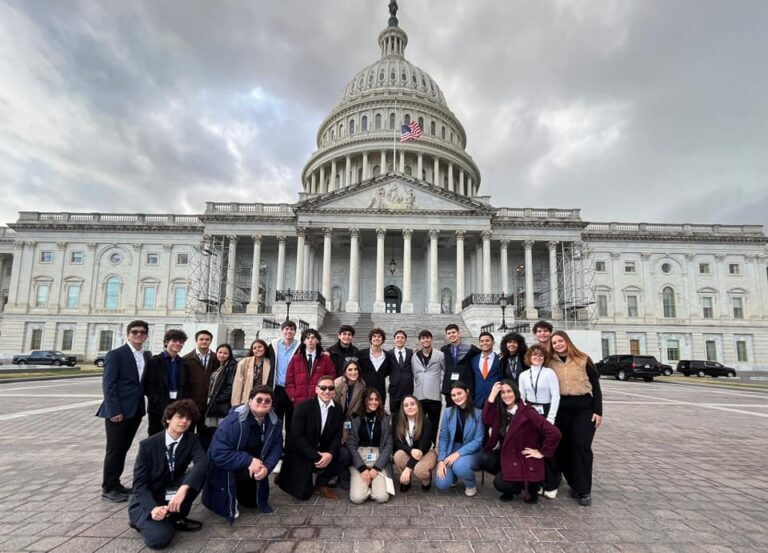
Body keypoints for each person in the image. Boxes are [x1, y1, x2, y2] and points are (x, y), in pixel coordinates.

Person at [129, 399, 208, 549]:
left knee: (199, 474)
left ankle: (175, 517)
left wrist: (183, 489)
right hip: (149, 498)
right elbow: (139, 485)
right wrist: (153, 508)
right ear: (168, 418)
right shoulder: (148, 445)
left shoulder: (192, 440)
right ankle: (141, 520)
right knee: (159, 539)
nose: (184, 421)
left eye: (188, 418)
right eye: (180, 416)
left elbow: (202, 462)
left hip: (170, 491)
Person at [203, 386, 283, 521]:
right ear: (250, 401)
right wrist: (249, 460)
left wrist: (267, 468)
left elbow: (276, 448)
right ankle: (226, 498)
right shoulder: (233, 422)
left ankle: (243, 490)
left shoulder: (274, 422)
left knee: (251, 503)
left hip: (254, 466)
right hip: (228, 467)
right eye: (259, 399)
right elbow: (218, 454)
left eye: (267, 401)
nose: (263, 403)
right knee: (225, 498)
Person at [97, 320, 152, 502]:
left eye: (142, 332)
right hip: (118, 411)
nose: (138, 335)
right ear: (128, 334)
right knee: (114, 449)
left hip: (135, 410)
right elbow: (109, 385)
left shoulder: (145, 356)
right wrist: (114, 410)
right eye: (135, 332)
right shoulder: (116, 354)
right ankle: (108, 487)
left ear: (146, 335)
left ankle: (116, 483)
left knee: (123, 448)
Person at [548, 330, 603, 506]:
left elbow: (596, 386)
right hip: (561, 409)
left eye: (560, 341)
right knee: (563, 447)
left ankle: (584, 489)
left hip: (583, 408)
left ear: (567, 341)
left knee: (581, 445)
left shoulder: (583, 359)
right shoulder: (550, 362)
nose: (558, 344)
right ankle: (573, 482)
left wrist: (598, 411)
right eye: (554, 343)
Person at [481, 381, 560, 503]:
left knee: (500, 483)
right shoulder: (501, 412)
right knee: (485, 458)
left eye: (509, 391)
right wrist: (491, 396)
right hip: (509, 456)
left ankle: (529, 486)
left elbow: (554, 433)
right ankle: (511, 484)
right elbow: (486, 419)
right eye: (502, 393)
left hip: (524, 459)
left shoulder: (528, 412)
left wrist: (542, 452)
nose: (506, 395)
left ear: (515, 392)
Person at [279, 374, 344, 500]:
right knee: (303, 495)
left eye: (330, 388)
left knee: (344, 455)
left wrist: (330, 454)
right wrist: (317, 456)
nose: (327, 391)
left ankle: (322, 483)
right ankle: (287, 475)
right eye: (323, 388)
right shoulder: (303, 407)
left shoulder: (337, 409)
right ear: (316, 389)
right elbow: (297, 436)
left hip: (324, 451)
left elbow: (338, 434)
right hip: (303, 452)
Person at [518, 344, 561, 498]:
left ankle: (552, 483)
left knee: (547, 448)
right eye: (534, 355)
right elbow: (521, 396)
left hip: (546, 410)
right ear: (529, 357)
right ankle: (539, 481)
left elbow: (555, 395)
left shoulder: (549, 373)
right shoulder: (523, 375)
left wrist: (551, 417)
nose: (537, 358)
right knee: (533, 446)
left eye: (541, 355)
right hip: (530, 411)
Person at [434, 381, 485, 496]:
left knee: (460, 466)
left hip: (472, 451)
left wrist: (458, 453)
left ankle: (470, 484)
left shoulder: (479, 414)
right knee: (442, 483)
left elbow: (478, 441)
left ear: (467, 392)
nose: (457, 397)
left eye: (459, 393)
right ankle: (453, 477)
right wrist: (441, 460)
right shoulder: (448, 412)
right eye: (453, 395)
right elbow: (443, 437)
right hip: (452, 449)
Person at [346, 388, 394, 504]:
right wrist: (362, 469)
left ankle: (373, 482)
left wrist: (376, 469)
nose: (374, 402)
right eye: (370, 399)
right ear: (364, 400)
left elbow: (388, 445)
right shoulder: (356, 418)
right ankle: (365, 482)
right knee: (357, 498)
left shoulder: (385, 418)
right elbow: (351, 444)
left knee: (382, 497)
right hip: (360, 456)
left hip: (379, 457)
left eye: (376, 399)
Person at [144, 329, 189, 437]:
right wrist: (156, 399)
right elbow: (148, 385)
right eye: (174, 341)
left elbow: (186, 384)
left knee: (174, 435)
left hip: (177, 405)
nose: (178, 343)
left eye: (181, 341)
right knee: (156, 435)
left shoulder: (183, 363)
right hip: (158, 406)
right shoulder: (155, 361)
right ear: (166, 342)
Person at [334, 358, 367, 490]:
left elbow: (359, 404)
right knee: (339, 445)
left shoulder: (361, 384)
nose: (353, 372)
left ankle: (347, 470)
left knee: (350, 445)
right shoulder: (337, 383)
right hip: (337, 419)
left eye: (356, 369)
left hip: (351, 420)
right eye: (350, 370)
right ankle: (339, 474)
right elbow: (333, 406)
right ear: (344, 372)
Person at [392, 395, 437, 492]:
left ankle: (426, 480)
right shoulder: (399, 422)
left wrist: (408, 468)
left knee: (419, 470)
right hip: (411, 451)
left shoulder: (426, 422)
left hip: (426, 452)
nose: (409, 407)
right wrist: (410, 450)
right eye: (406, 405)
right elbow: (397, 442)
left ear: (418, 406)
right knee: (398, 455)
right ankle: (406, 481)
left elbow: (422, 449)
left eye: (412, 404)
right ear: (402, 409)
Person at [182, 330, 220, 437]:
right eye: (201, 339)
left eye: (207, 339)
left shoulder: (216, 359)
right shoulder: (187, 359)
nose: (204, 342)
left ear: (211, 341)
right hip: (191, 405)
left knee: (206, 435)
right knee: (187, 434)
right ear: (196, 341)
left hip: (208, 405)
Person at [285, 328, 336, 406]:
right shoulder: (296, 359)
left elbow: (331, 377)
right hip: (299, 401)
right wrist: (293, 396)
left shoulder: (325, 359)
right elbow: (289, 381)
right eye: (307, 338)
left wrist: (325, 392)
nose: (310, 340)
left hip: (319, 400)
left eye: (313, 338)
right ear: (304, 341)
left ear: (317, 340)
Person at [411, 329, 445, 444]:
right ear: (420, 340)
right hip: (419, 395)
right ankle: (420, 447)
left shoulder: (440, 355)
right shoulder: (414, 356)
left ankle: (433, 446)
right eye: (423, 338)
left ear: (431, 339)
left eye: (428, 337)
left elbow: (446, 370)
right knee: (419, 424)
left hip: (434, 396)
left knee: (434, 424)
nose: (426, 340)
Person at [267, 320, 300, 433]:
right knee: (276, 420)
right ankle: (276, 447)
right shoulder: (274, 345)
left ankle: (289, 449)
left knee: (292, 421)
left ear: (295, 332)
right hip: (277, 388)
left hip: (293, 388)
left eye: (291, 329)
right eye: (286, 329)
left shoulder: (300, 347)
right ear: (282, 331)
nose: (289, 331)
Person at [203, 344, 238, 436]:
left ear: (230, 354)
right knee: (212, 430)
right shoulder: (218, 365)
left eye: (225, 353)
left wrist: (218, 399)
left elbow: (231, 386)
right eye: (220, 352)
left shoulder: (232, 366)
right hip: (213, 400)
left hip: (222, 403)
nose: (222, 355)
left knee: (221, 429)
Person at [440, 324, 479, 407]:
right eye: (449, 333)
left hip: (465, 387)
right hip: (450, 389)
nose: (451, 335)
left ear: (459, 333)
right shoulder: (444, 349)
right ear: (446, 336)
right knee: (451, 415)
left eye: (453, 332)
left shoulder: (471, 349)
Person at [232, 339, 273, 405]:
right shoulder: (244, 362)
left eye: (260, 347)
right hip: (246, 398)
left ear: (265, 348)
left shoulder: (270, 363)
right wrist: (236, 404)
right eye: (255, 348)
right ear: (252, 350)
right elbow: (238, 384)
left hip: (262, 399)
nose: (257, 349)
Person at [357, 328, 391, 403]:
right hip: (364, 390)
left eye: (379, 336)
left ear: (382, 339)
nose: (376, 338)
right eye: (374, 336)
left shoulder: (388, 356)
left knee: (379, 412)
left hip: (380, 391)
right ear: (370, 339)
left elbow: (388, 371)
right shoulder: (361, 354)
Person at [468, 332, 501, 406]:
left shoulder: (500, 360)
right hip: (477, 401)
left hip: (495, 401)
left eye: (487, 340)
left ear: (493, 342)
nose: (484, 343)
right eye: (482, 341)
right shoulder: (474, 360)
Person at [386, 329, 413, 416]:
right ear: (394, 340)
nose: (400, 339)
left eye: (402, 337)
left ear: (405, 340)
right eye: (397, 337)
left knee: (408, 414)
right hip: (394, 390)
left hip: (408, 388)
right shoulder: (388, 354)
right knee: (394, 416)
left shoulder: (411, 353)